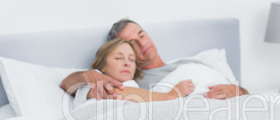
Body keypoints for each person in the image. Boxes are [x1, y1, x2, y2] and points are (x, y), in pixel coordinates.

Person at [60, 19, 249, 100]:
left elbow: (246, 94)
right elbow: (70, 84)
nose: (141, 43)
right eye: (132, 43)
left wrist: (239, 90)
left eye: (141, 35)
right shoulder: (133, 79)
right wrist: (87, 75)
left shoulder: (193, 65)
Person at [74, 38, 194, 106]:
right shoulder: (93, 79)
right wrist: (170, 95)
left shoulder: (140, 89)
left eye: (132, 59)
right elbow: (114, 93)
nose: (127, 63)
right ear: (103, 66)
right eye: (118, 58)